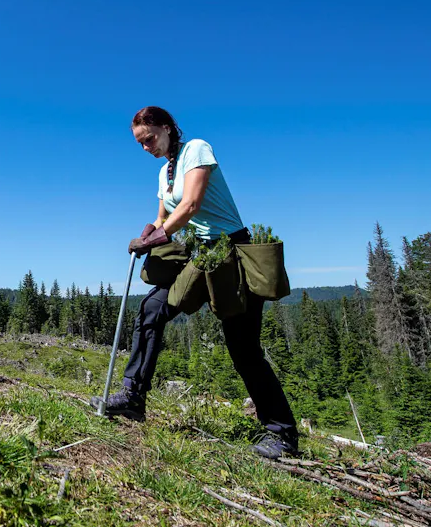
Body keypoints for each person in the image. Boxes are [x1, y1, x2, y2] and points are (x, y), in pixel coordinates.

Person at [90, 106, 299, 459]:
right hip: (199, 254)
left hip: (231, 252)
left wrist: (155, 239)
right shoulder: (163, 173)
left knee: (243, 348)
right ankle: (132, 398)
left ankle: (283, 435)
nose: (146, 147)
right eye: (140, 143)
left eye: (150, 138)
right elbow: (163, 215)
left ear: (168, 128)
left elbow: (189, 205)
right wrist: (147, 232)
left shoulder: (196, 150)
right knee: (152, 308)